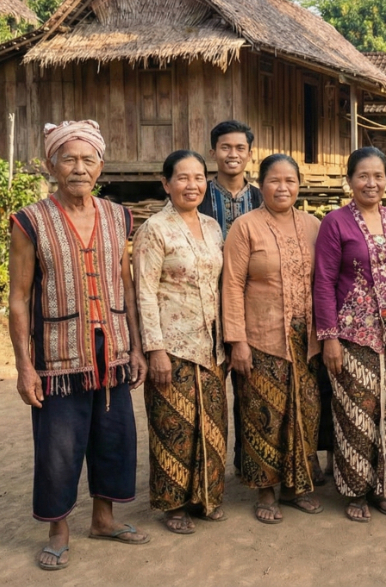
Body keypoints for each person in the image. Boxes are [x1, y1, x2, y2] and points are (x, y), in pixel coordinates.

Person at [8, 120, 150, 571]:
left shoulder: (117, 216)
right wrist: (24, 367)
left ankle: (104, 520)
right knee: (59, 447)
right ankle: (59, 530)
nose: (78, 168)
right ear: (52, 164)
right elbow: (18, 300)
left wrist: (139, 348)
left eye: (88, 159)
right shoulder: (30, 221)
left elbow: (124, 287)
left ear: (101, 166)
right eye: (68, 159)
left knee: (113, 439)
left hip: (114, 351)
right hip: (59, 356)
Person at [314, 147, 386, 523]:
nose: (371, 183)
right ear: (350, 181)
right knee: (355, 414)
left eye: (378, 175)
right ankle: (355, 491)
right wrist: (328, 336)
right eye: (363, 176)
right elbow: (324, 281)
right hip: (351, 336)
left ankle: (383, 487)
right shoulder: (336, 222)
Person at [223, 154, 323, 524]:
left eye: (290, 181)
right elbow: (232, 284)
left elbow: (323, 281)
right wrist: (237, 340)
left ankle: (297, 487)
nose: (283, 188)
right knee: (263, 415)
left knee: (304, 412)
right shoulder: (245, 227)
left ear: (299, 185)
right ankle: (265, 490)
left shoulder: (313, 225)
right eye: (274, 181)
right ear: (260, 184)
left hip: (305, 339)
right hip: (260, 337)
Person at [133, 150, 228, 535]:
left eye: (199, 177)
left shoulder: (212, 226)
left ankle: (206, 497)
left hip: (211, 346)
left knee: (210, 426)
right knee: (173, 428)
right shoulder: (154, 229)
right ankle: (174, 505)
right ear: (166, 183)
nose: (193, 185)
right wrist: (154, 350)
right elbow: (144, 292)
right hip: (172, 347)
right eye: (183, 178)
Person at [197, 120, 270, 478]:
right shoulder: (199, 196)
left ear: (249, 154)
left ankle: (249, 463)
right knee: (210, 392)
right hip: (207, 307)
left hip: (255, 308)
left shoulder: (261, 197)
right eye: (225, 147)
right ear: (213, 152)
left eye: (240, 148)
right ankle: (208, 473)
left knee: (253, 388)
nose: (232, 154)